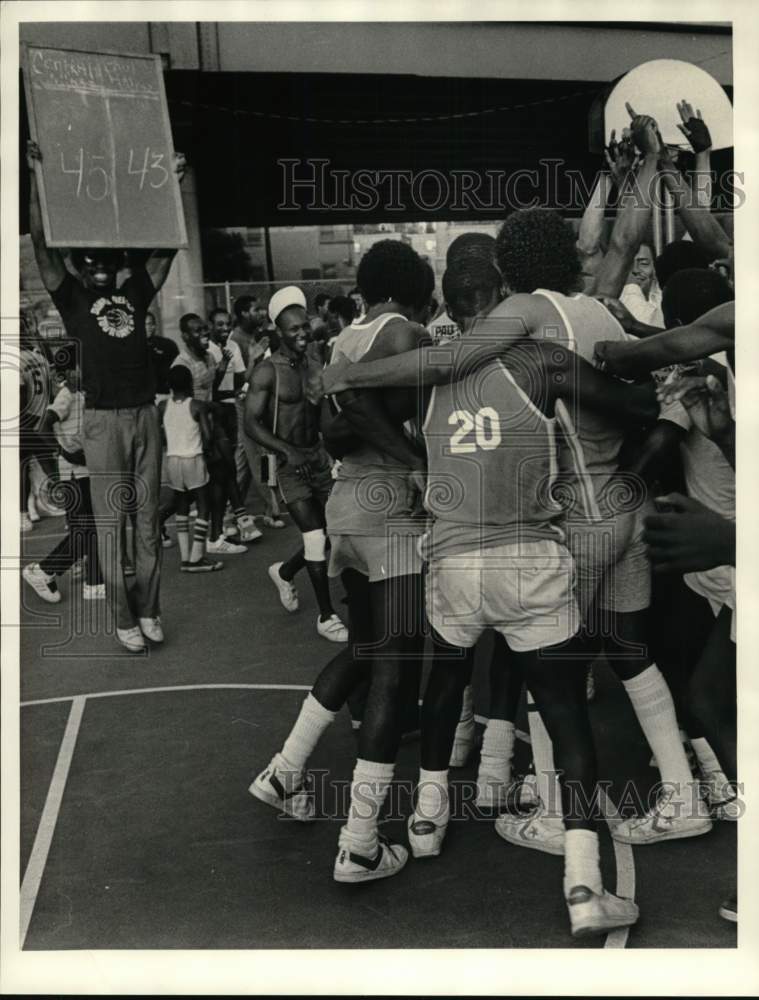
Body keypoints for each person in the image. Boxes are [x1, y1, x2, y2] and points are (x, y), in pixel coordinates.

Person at [26, 139, 185, 653]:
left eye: (105, 261)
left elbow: (163, 254)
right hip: (102, 421)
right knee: (113, 524)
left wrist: (172, 187)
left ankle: (151, 608)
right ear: (79, 263)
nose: (98, 267)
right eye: (89, 260)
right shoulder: (70, 297)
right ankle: (123, 617)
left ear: (114, 262)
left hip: (144, 415)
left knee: (146, 522)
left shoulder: (133, 292)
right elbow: (41, 245)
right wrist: (35, 177)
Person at [244, 286, 348, 642]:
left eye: (304, 326)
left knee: (336, 531)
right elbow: (251, 423)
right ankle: (326, 615)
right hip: (288, 464)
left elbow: (322, 418)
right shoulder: (265, 372)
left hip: (317, 458)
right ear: (278, 332)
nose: (302, 333)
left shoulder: (315, 365)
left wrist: (335, 452)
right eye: (293, 329)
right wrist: (287, 451)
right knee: (316, 537)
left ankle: (286, 572)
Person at [22, 349, 104, 603]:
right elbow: (43, 424)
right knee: (86, 530)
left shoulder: (81, 395)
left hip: (85, 472)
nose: (85, 372)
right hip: (74, 474)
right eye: (80, 368)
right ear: (66, 373)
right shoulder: (67, 396)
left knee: (90, 529)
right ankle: (43, 570)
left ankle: (94, 582)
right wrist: (65, 452)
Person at [159, 365, 222, 573]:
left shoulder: (163, 406)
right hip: (193, 458)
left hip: (173, 460)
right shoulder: (196, 405)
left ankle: (185, 558)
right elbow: (208, 435)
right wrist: (210, 451)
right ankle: (197, 557)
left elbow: (161, 435)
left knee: (181, 505)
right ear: (190, 383)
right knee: (204, 505)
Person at [230, 295, 285, 529]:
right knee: (259, 456)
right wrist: (253, 360)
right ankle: (271, 506)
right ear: (243, 313)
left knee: (244, 459)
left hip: (257, 400)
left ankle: (232, 506)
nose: (260, 313)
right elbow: (238, 381)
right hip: (244, 403)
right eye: (255, 309)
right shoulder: (235, 340)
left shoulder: (254, 335)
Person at [208, 308, 262, 543]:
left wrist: (251, 359)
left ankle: (231, 519)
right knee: (220, 469)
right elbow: (211, 389)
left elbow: (241, 379)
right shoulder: (207, 350)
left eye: (227, 324)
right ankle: (230, 519)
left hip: (231, 410)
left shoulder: (233, 347)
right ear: (211, 325)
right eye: (219, 324)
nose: (224, 328)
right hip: (212, 413)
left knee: (231, 466)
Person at [620, 243, 663, 326]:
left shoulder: (664, 299)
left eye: (644, 263)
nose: (635, 270)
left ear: (654, 268)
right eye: (628, 264)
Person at [146, 310, 179, 403]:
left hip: (164, 394)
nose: (146, 328)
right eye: (143, 324)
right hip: (143, 396)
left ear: (154, 326)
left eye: (149, 324)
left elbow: (176, 369)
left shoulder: (167, 345)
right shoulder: (134, 347)